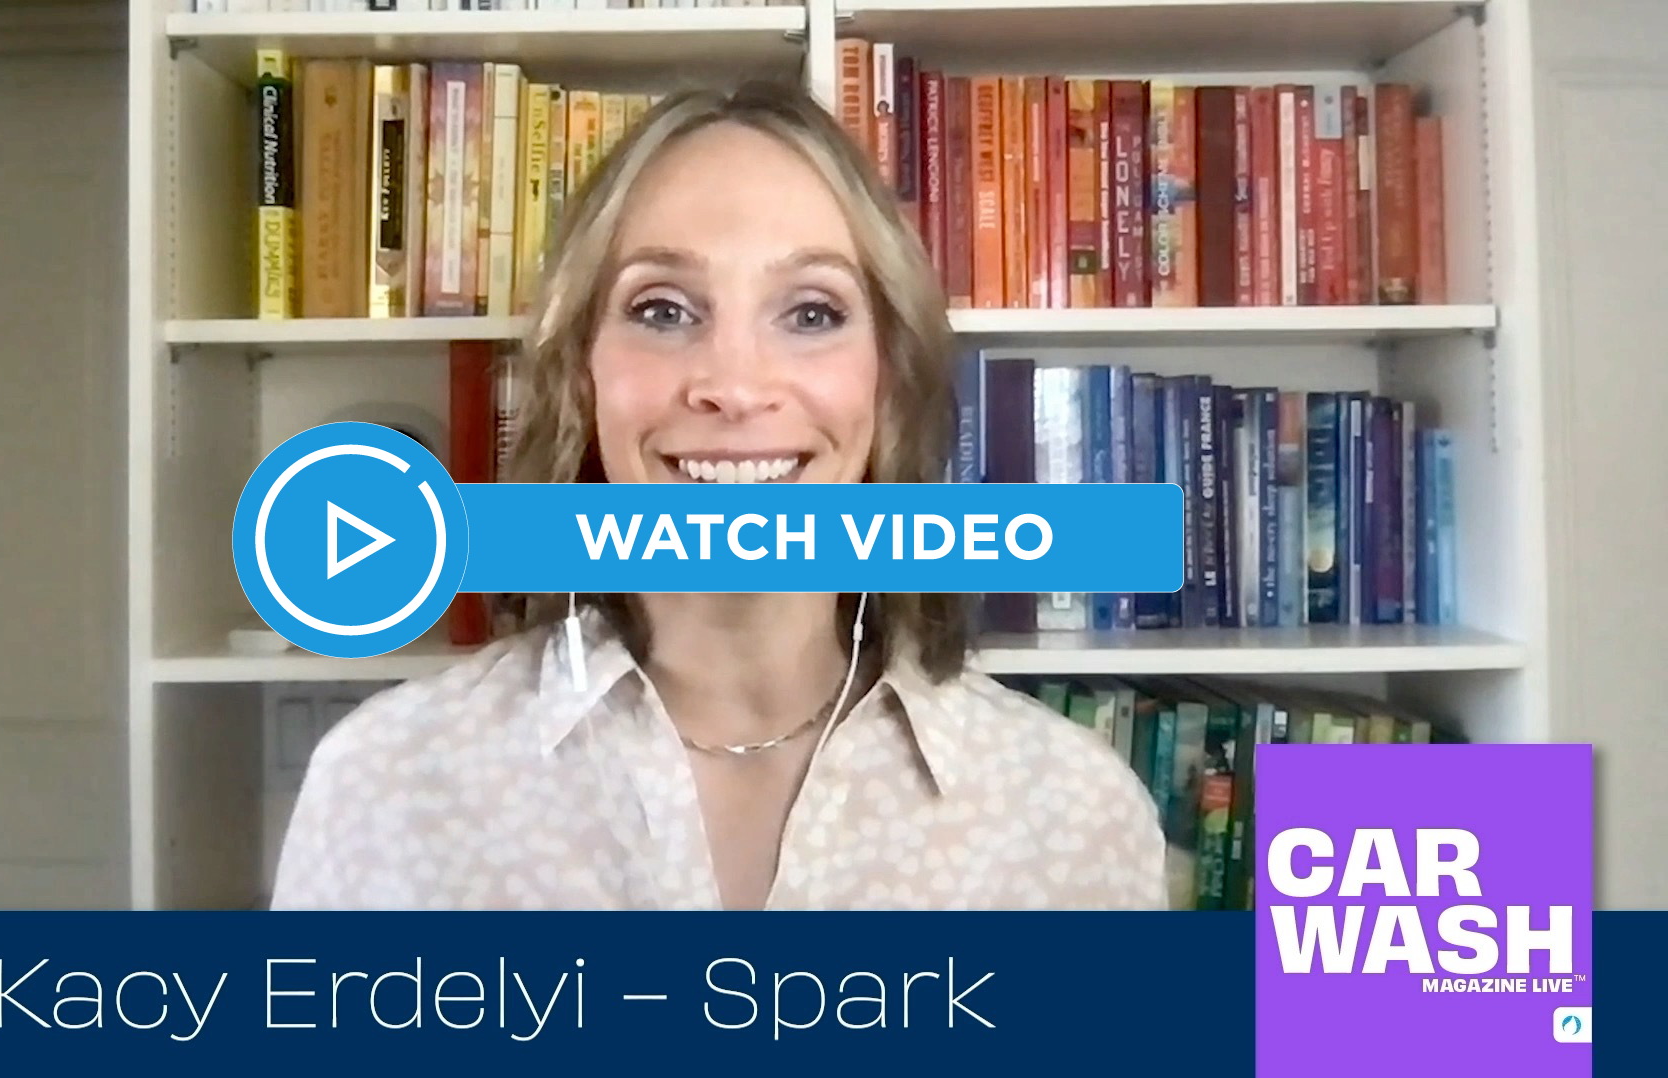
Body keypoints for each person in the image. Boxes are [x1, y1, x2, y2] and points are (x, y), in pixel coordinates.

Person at [269, 80, 1167, 911]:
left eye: (811, 313)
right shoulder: (385, 788)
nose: (734, 388)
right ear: (582, 373)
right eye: (662, 310)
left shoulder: (1072, 812)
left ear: (888, 379)